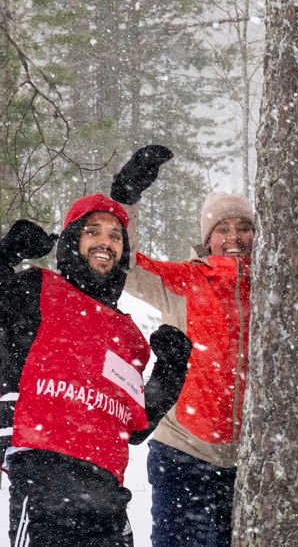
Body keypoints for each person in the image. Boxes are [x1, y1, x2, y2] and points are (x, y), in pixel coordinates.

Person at [0, 146, 192, 545]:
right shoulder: (37, 289)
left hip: (108, 495)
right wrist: (5, 256)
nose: (106, 242)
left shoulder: (128, 335)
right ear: (72, 239)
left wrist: (173, 367)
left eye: (115, 235)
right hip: (44, 484)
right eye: (93, 231)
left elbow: (136, 422)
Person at [117, 192, 256, 547]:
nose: (234, 237)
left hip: (248, 462)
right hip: (181, 452)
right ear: (207, 239)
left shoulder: (272, 287)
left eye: (243, 227)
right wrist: (126, 201)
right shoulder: (185, 279)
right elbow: (126, 265)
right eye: (222, 229)